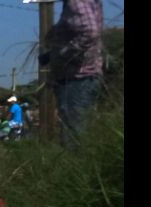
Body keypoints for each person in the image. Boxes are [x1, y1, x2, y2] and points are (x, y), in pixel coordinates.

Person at [40, 0, 103, 147]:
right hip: (81, 75)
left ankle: (76, 166)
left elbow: (89, 32)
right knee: (75, 129)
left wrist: (62, 55)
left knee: (73, 135)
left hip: (77, 76)